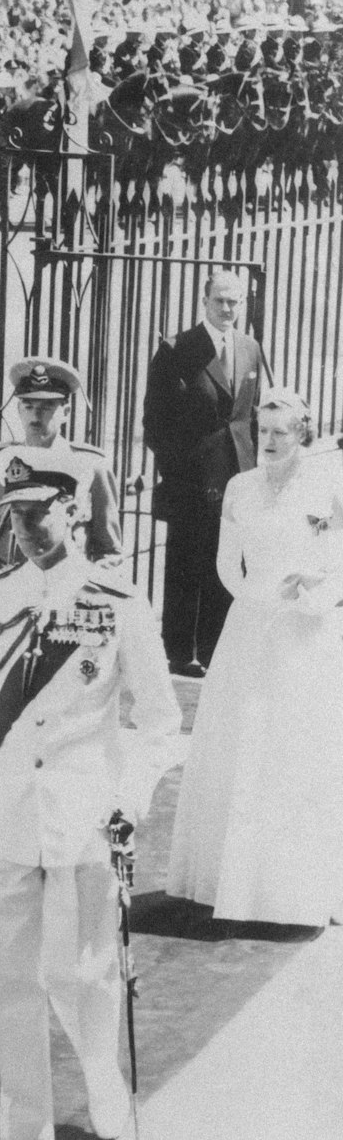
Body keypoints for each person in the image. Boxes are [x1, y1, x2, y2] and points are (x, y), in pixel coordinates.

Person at [0, 443, 180, 1140]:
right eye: (15, 514)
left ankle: (103, 1090)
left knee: (83, 972)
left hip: (84, 806)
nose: (26, 526)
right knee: (9, 974)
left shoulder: (117, 602)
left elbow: (158, 720)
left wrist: (129, 799)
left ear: (76, 508)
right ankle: (24, 1125)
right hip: (7, 805)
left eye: (40, 510)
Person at [167, 389, 343, 925]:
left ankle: (295, 887)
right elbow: (225, 562)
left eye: (280, 432)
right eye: (262, 430)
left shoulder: (327, 485)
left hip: (303, 627)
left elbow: (338, 555)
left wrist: (318, 588)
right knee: (240, 740)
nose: (268, 441)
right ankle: (230, 880)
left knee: (294, 746)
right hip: (251, 622)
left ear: (302, 435)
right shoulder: (240, 487)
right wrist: (253, 600)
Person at [143, 269, 265, 676]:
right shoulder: (177, 349)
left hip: (237, 478)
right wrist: (179, 471)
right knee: (186, 565)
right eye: (220, 301)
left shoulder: (249, 348)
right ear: (204, 302)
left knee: (228, 563)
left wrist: (251, 474)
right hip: (190, 480)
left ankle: (217, 652)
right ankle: (180, 653)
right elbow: (155, 422)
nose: (228, 309)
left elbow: (249, 418)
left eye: (235, 301)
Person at [0, 356, 123, 591]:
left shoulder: (90, 464)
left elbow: (110, 552)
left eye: (47, 407)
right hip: (10, 593)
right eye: (28, 406)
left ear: (66, 412)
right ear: (18, 410)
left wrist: (86, 594)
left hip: (68, 592)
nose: (36, 416)